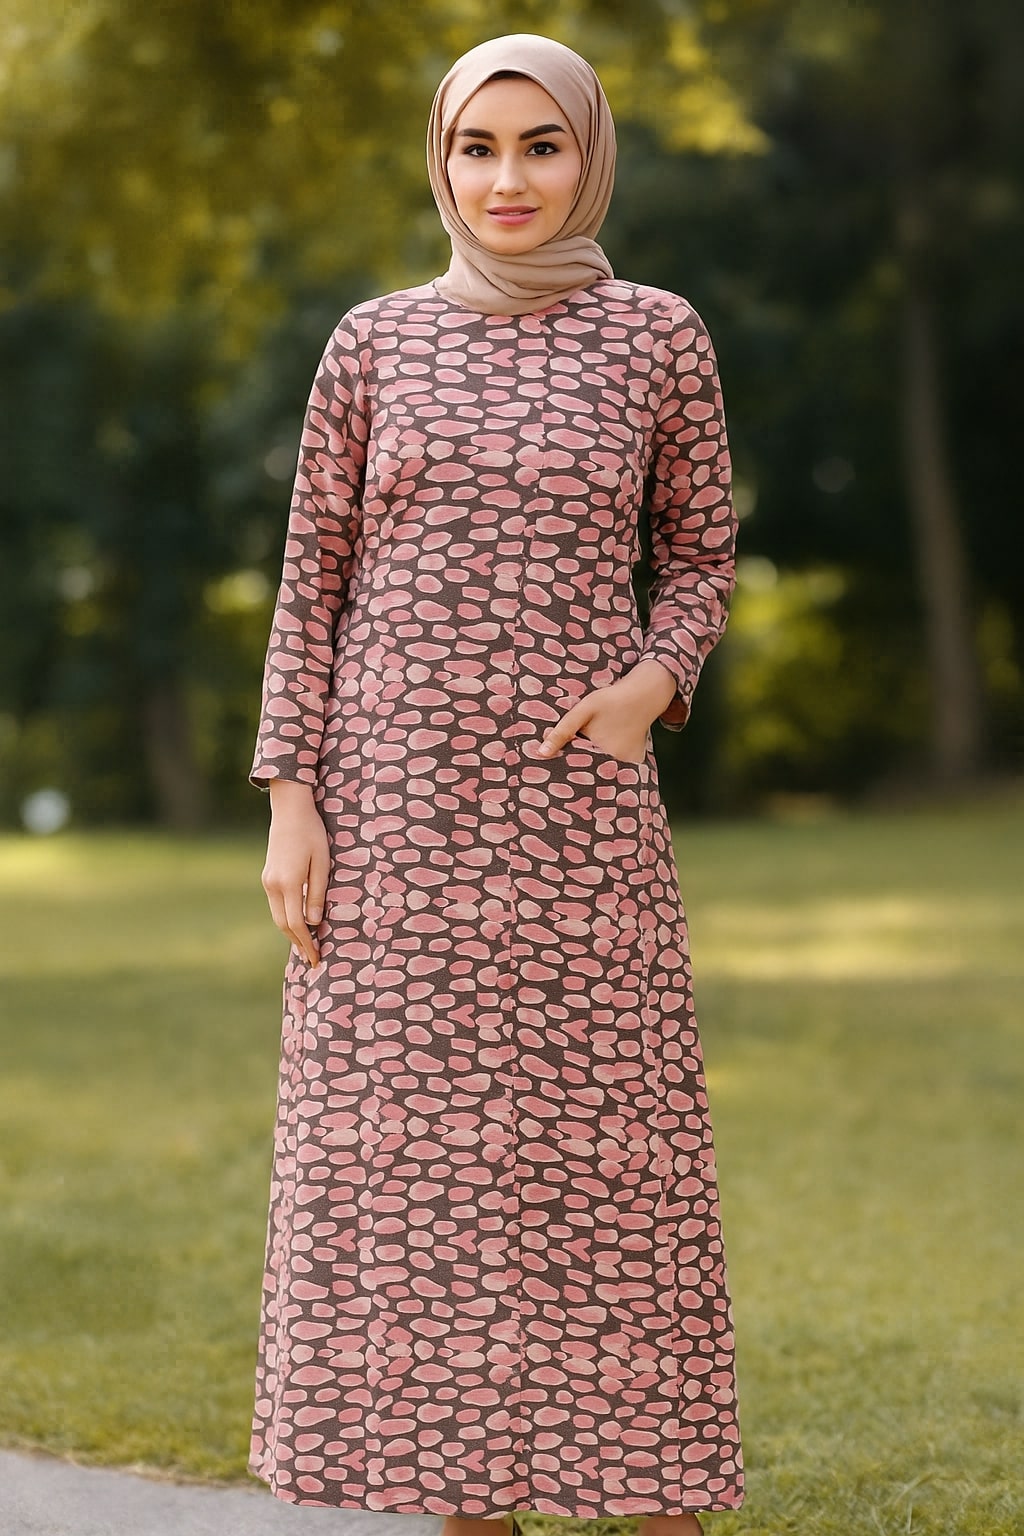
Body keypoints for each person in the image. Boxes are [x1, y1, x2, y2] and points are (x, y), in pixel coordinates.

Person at [248, 32, 743, 1536]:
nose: (507, 178)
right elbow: (311, 582)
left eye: (541, 144)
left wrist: (653, 685)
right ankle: (468, 1504)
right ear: (441, 158)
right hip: (391, 818)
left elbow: (703, 551)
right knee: (428, 1194)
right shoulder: (373, 343)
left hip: (579, 821)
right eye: (478, 146)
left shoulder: (657, 336)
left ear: (590, 155)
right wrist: (291, 797)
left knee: (616, 1176)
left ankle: (654, 1500)